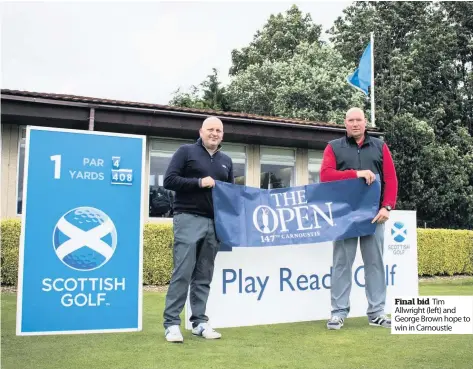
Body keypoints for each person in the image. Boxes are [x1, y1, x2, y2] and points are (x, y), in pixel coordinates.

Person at [320, 107, 398, 330]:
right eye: (351, 120)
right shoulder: (333, 147)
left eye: (359, 120)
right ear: (345, 123)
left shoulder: (380, 146)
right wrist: (356, 173)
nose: (355, 124)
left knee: (375, 265)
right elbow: (325, 176)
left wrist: (387, 207)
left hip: (374, 217)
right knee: (342, 265)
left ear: (365, 123)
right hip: (344, 217)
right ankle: (338, 313)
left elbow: (391, 179)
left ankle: (376, 313)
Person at [162, 116, 234, 343]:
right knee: (182, 272)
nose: (214, 133)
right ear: (201, 131)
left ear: (223, 134)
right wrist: (199, 183)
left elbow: (229, 193)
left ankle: (199, 322)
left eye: (219, 130)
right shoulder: (185, 152)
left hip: (214, 223)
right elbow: (169, 180)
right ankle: (172, 324)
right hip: (188, 218)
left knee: (204, 275)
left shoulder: (226, 160)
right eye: (210, 129)